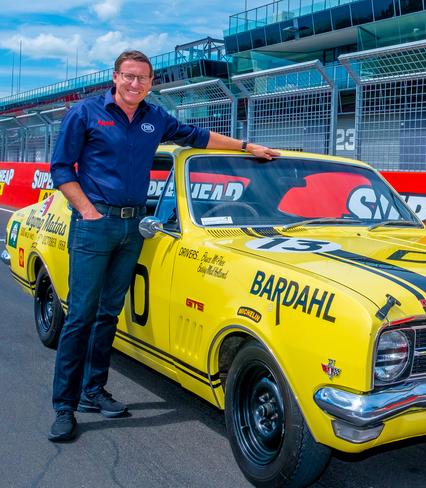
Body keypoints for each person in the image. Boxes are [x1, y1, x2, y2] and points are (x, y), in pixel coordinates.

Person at [48, 50, 279, 442]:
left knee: (108, 314)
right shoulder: (86, 113)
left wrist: (246, 147)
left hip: (134, 226)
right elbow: (60, 168)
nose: (135, 84)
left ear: (152, 83)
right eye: (129, 76)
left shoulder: (155, 119)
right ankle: (64, 407)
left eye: (143, 78)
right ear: (115, 77)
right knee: (80, 316)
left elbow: (199, 136)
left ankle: (92, 391)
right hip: (94, 225)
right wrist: (87, 211)